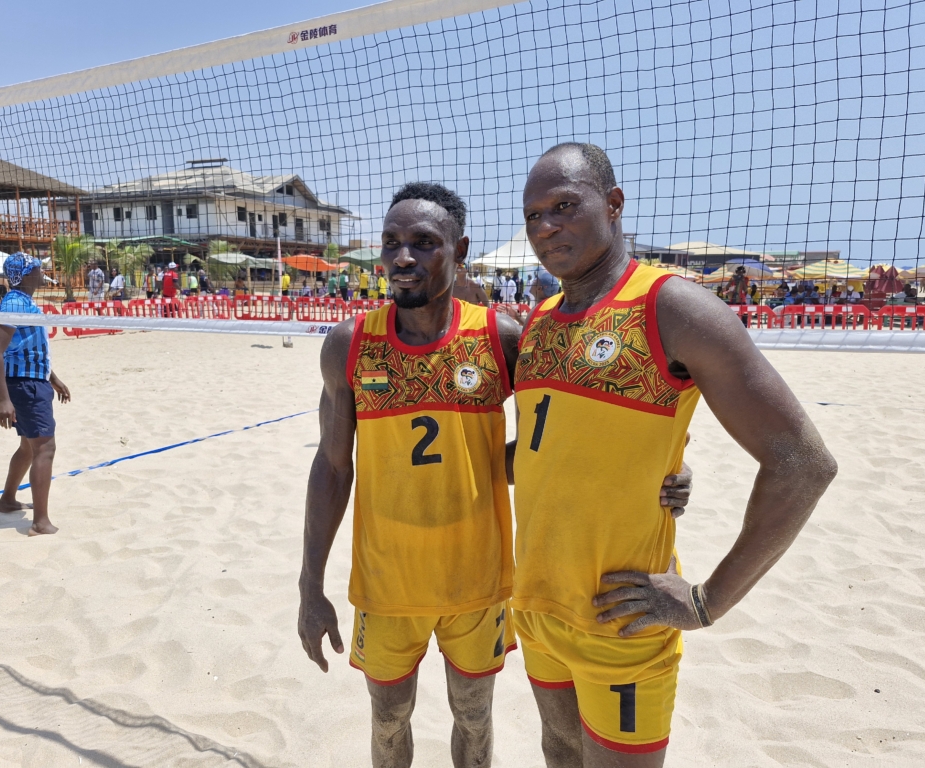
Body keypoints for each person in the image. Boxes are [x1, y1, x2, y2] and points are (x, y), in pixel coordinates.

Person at [297, 182, 692, 768]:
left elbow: (555, 435)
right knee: (388, 719)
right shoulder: (350, 344)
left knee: (474, 717)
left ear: (459, 250)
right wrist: (310, 585)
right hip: (386, 583)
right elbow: (332, 468)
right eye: (391, 242)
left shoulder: (501, 337)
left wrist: (665, 467)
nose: (402, 257)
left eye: (423, 242)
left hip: (478, 582)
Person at [514, 143, 835, 765]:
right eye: (532, 215)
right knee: (559, 751)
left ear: (613, 204)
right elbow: (546, 450)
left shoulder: (672, 307)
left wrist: (707, 601)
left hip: (622, 617)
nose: (545, 226)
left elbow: (804, 464)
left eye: (564, 206)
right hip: (536, 605)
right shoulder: (542, 320)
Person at [0, 253, 71, 536]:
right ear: (25, 275)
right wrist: (3, 399)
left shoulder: (23, 301)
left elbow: (30, 348)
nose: (41, 273)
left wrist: (53, 378)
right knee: (45, 449)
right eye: (36, 269)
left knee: (28, 447)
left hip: (33, 380)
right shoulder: (14, 302)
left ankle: (7, 500)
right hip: (25, 386)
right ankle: (40, 522)